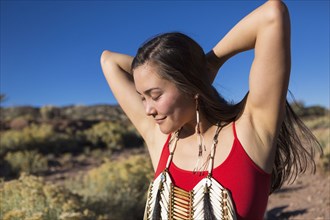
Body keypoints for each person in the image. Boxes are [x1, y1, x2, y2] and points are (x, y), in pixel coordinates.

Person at [100, 1, 320, 219]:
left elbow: (272, 14)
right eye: (142, 97)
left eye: (155, 95)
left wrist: (209, 64)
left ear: (190, 86)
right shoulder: (162, 140)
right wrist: (162, 70)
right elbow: (108, 60)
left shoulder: (251, 131)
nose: (147, 109)